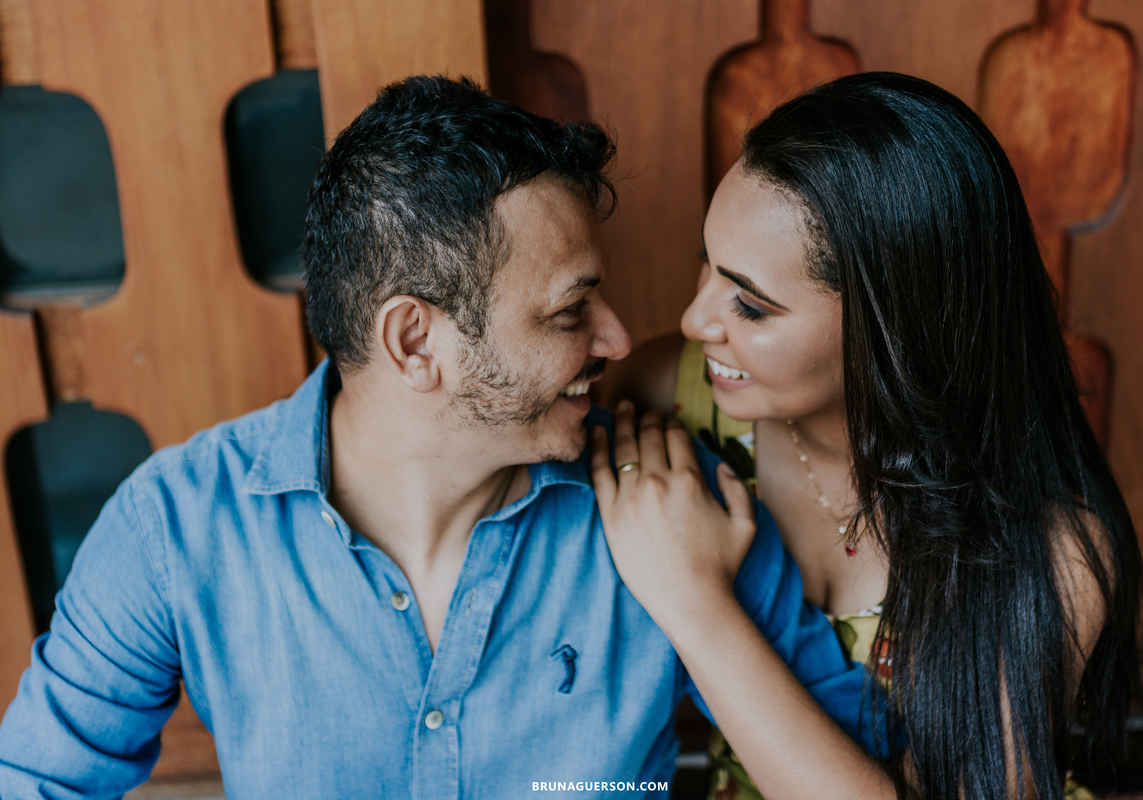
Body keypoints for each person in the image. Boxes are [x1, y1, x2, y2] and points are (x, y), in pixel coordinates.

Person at [0, 76, 884, 798]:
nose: (619, 341)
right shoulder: (177, 527)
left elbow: (858, 771)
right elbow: (37, 780)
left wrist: (698, 604)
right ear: (415, 341)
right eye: (572, 311)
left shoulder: (667, 499)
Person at [594, 72, 1143, 800]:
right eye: (708, 262)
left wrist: (695, 601)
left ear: (896, 330)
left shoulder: (1052, 554)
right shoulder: (670, 400)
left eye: (750, 305)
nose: (696, 321)